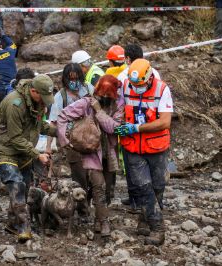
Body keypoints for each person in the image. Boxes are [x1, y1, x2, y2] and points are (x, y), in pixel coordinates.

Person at [0, 74, 56, 242]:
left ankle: (12, 223)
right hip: (4, 147)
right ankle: (23, 227)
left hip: (23, 149)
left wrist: (60, 132)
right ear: (33, 91)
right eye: (43, 96)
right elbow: (15, 138)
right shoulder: (15, 104)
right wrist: (37, 154)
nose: (44, 101)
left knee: (25, 186)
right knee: (16, 183)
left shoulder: (37, 102)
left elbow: (39, 125)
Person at [114, 59, 173, 246]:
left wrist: (136, 128)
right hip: (132, 148)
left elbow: (164, 122)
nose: (136, 88)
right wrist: (119, 124)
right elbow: (117, 108)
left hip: (156, 147)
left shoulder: (162, 90)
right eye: (133, 85)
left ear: (149, 77)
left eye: (139, 85)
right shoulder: (125, 86)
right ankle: (157, 227)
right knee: (143, 186)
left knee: (157, 186)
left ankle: (144, 216)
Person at [57, 75, 124, 236]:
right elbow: (62, 116)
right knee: (98, 186)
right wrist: (65, 139)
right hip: (92, 152)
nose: (104, 99)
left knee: (108, 189)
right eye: (101, 96)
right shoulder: (86, 103)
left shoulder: (120, 104)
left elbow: (113, 128)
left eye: (108, 97)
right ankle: (105, 223)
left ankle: (98, 220)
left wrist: (99, 111)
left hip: (110, 152)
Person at [116, 44, 161, 207]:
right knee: (150, 167)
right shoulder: (154, 73)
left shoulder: (123, 76)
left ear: (127, 59)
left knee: (131, 166)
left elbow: (119, 104)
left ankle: (136, 201)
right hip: (152, 127)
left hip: (133, 129)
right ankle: (151, 201)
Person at [46, 63, 91, 191]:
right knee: (78, 173)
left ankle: (90, 197)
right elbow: (53, 122)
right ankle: (82, 202)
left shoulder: (88, 89)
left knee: (92, 172)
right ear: (65, 79)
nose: (74, 82)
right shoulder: (60, 97)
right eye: (71, 79)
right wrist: (49, 146)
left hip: (90, 136)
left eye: (76, 79)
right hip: (71, 141)